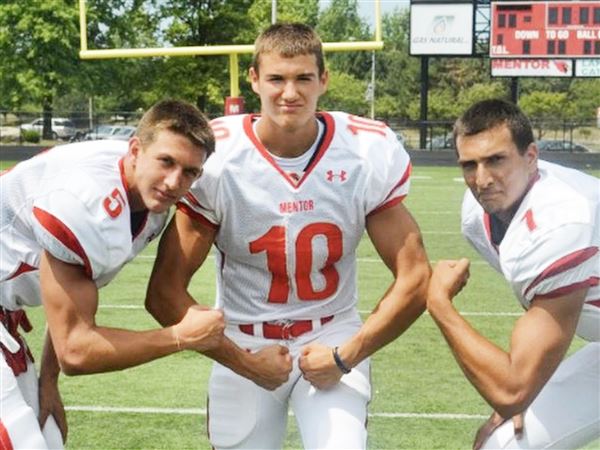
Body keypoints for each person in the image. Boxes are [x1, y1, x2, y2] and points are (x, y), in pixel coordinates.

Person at [146, 23, 430, 449]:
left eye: (303, 78)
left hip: (332, 332)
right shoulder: (219, 157)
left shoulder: (364, 151)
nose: (290, 93)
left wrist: (346, 355)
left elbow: (415, 277)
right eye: (277, 79)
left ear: (324, 80)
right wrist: (243, 362)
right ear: (255, 80)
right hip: (244, 337)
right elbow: (165, 293)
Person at [0, 99, 225, 449]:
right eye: (166, 162)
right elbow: (76, 350)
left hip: (5, 313)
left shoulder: (145, 203)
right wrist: (180, 336)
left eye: (190, 171)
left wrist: (48, 381)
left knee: (48, 437)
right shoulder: (84, 201)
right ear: (136, 149)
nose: (173, 181)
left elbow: (72, 300)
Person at [427, 99, 599, 449]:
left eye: (496, 160)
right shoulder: (477, 216)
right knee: (503, 444)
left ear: (531, 156)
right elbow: (541, 311)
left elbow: (511, 391)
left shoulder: (562, 221)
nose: (482, 179)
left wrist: (439, 304)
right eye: (469, 165)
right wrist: (527, 380)